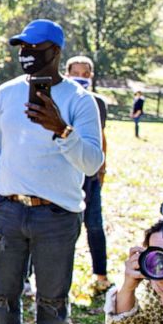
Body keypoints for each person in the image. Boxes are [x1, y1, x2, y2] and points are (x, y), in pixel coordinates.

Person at [0, 19, 104, 324]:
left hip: (57, 217)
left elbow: (92, 162)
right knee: (4, 297)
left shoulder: (80, 101)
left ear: (55, 51)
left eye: (34, 47)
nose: (25, 53)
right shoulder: (7, 94)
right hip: (9, 210)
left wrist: (61, 130)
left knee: (52, 302)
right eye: (20, 47)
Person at [65, 55, 111, 294]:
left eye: (85, 74)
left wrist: (102, 168)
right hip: (65, 173)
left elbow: (101, 137)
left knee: (95, 225)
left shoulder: (98, 103)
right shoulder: (60, 99)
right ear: (66, 72)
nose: (81, 78)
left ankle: (101, 274)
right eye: (76, 73)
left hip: (89, 175)